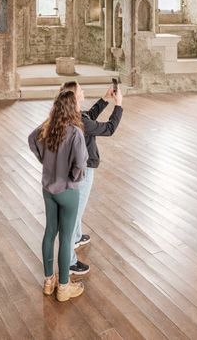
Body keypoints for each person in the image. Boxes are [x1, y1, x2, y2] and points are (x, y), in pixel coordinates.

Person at [28, 89, 88, 301]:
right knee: (66, 238)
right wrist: (74, 177)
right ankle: (63, 287)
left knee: (50, 231)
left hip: (48, 190)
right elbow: (81, 163)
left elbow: (31, 138)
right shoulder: (75, 133)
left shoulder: (47, 128)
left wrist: (44, 160)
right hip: (67, 190)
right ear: (73, 109)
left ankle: (48, 281)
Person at [59, 79, 123, 276]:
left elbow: (89, 116)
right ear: (75, 97)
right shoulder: (80, 122)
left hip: (73, 168)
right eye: (81, 90)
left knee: (76, 210)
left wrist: (105, 100)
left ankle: (77, 237)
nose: (83, 91)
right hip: (83, 171)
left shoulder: (70, 115)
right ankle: (69, 263)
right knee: (74, 214)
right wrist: (118, 105)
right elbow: (109, 128)